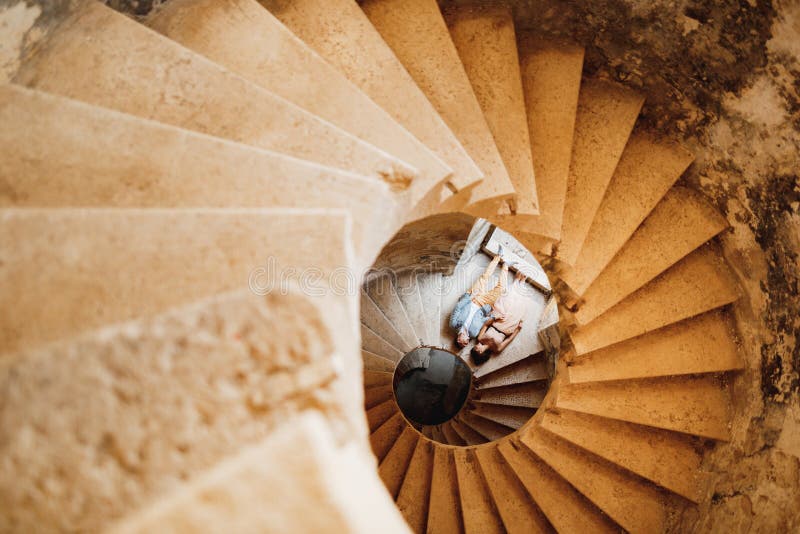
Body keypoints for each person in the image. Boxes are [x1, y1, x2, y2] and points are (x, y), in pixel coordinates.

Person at [450, 247, 510, 348]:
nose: (467, 342)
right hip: (484, 305)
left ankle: (498, 256)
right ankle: (506, 265)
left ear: (458, 340)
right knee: (500, 289)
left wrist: (471, 297)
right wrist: (494, 317)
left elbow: (458, 307)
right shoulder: (473, 334)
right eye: (467, 344)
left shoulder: (453, 324)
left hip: (472, 299)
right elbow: (482, 320)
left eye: (464, 343)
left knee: (484, 277)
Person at [471, 270, 529, 365]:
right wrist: (517, 330)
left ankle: (517, 280)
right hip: (508, 327)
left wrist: (495, 318)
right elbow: (509, 340)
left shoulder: (480, 338)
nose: (476, 345)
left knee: (506, 301)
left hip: (497, 322)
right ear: (480, 352)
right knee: (517, 306)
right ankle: (522, 283)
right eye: (476, 348)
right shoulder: (497, 349)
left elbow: (486, 324)